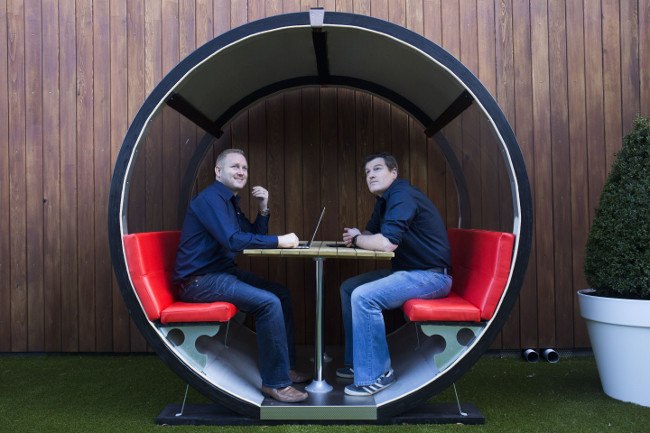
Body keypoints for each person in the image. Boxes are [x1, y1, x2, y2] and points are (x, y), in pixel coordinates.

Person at [174, 148, 310, 403]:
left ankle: (285, 368)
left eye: (244, 168)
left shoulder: (229, 202)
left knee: (280, 294)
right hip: (199, 281)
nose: (241, 172)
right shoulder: (210, 200)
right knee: (269, 303)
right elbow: (235, 240)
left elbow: (250, 235)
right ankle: (276, 383)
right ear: (218, 171)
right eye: (234, 166)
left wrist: (263, 208)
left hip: (221, 273)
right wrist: (280, 240)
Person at [337, 152, 452, 396]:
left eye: (377, 169)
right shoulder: (385, 200)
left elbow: (387, 243)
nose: (371, 175)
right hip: (409, 272)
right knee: (349, 288)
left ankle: (377, 375)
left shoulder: (402, 195)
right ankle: (357, 363)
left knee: (364, 296)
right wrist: (360, 236)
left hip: (431, 277)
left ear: (394, 172)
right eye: (367, 172)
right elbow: (371, 235)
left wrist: (359, 239)